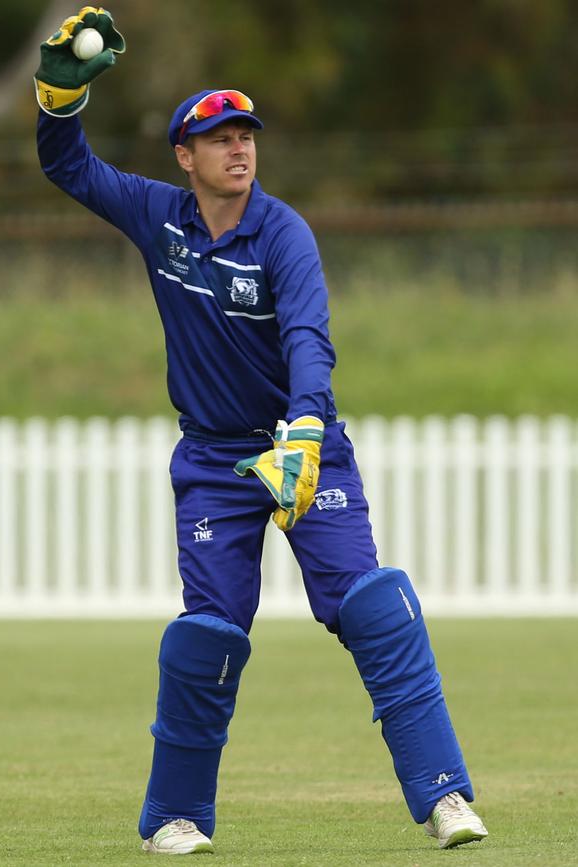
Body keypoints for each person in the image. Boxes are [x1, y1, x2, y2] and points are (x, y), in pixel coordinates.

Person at [35, 7, 489, 856]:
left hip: (299, 441)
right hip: (212, 458)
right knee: (208, 633)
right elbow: (68, 167)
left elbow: (308, 338)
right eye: (219, 140)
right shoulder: (159, 217)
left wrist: (308, 431)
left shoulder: (283, 233)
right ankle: (175, 820)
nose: (239, 149)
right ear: (185, 156)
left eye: (247, 136)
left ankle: (447, 798)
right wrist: (60, 96)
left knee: (373, 606)